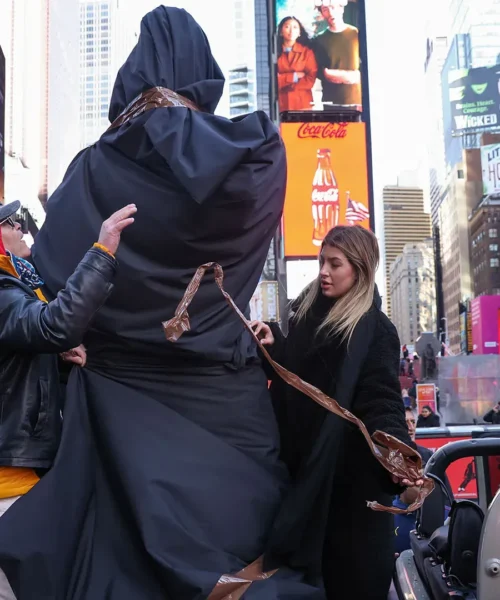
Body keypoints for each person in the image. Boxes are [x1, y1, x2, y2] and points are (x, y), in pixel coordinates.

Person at [0, 8, 322, 600]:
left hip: (118, 412)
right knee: (244, 553)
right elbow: (269, 166)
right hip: (227, 413)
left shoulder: (92, 171)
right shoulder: (245, 161)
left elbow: (48, 282)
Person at [252, 225, 420, 600]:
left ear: (358, 269)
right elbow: (298, 380)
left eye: (335, 263)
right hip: (301, 481)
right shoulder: (305, 317)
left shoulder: (375, 329)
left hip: (349, 495)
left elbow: (381, 400)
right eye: (321, 261)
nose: (323, 271)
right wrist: (273, 346)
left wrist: (396, 454)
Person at [0, 200, 136, 599]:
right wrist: (103, 250)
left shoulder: (16, 283)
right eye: (13, 222)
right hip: (9, 489)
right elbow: (55, 325)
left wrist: (50, 356)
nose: (23, 230)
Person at [393, 408, 452, 554]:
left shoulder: (429, 456)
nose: (411, 427)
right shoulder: (384, 457)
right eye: (405, 422)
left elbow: (446, 496)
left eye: (413, 422)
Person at [313, 1, 361, 107]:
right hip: (331, 101)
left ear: (341, 8)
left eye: (333, 8)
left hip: (356, 100)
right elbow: (316, 69)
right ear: (322, 13)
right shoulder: (319, 39)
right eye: (325, 9)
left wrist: (357, 75)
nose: (331, 13)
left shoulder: (356, 34)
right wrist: (329, 74)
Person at [276, 16, 318, 112]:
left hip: (302, 103)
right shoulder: (274, 52)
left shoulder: (307, 53)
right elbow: (273, 80)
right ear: (281, 31)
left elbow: (311, 79)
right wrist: (294, 76)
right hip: (281, 105)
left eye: (295, 27)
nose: (291, 30)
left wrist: (285, 82)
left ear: (299, 33)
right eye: (287, 27)